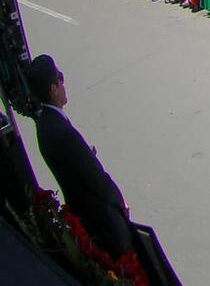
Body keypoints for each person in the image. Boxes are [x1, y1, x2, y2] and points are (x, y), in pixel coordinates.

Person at [27, 55, 136, 260]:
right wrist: (119, 202)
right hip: (102, 221)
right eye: (59, 78)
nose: (63, 83)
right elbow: (96, 180)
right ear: (53, 89)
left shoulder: (44, 126)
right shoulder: (62, 132)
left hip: (83, 215)